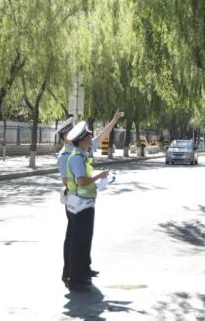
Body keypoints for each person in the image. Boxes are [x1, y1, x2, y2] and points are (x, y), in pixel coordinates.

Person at [63, 110, 124, 290]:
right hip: (79, 206)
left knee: (83, 242)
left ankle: (82, 274)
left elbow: (103, 135)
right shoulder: (76, 158)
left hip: (84, 204)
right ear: (82, 140)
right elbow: (81, 180)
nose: (91, 139)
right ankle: (75, 280)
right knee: (78, 243)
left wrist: (114, 120)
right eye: (89, 136)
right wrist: (99, 176)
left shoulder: (83, 153)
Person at [55, 116, 75, 286]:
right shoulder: (64, 156)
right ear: (63, 137)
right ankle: (67, 271)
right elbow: (66, 182)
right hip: (73, 200)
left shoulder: (76, 151)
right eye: (70, 132)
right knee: (72, 236)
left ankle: (78, 268)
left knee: (78, 235)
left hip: (81, 198)